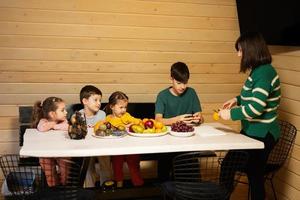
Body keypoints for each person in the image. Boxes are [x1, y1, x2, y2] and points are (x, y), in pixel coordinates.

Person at [218, 32, 281, 200]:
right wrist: (236, 99)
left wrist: (230, 114)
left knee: (254, 174)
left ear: (251, 50)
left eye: (240, 50)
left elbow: (255, 108)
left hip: (264, 133)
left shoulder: (265, 73)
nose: (238, 55)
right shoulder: (257, 71)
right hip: (252, 131)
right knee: (228, 165)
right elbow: (252, 97)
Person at [155, 61, 203, 181]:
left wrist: (199, 118)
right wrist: (178, 119)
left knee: (191, 172)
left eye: (185, 83)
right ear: (171, 79)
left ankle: (189, 188)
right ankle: (166, 187)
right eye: (179, 83)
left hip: (188, 139)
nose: (182, 86)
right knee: (165, 169)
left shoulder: (191, 93)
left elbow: (200, 117)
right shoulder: (162, 95)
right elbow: (158, 120)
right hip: (168, 141)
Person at [105, 91, 144, 188]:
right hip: (116, 147)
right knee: (116, 165)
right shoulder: (108, 119)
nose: (123, 110)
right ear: (112, 107)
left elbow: (138, 121)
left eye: (125, 107)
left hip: (131, 146)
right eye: (121, 107)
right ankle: (119, 184)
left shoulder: (127, 116)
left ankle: (137, 183)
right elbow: (106, 130)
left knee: (134, 164)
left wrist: (133, 124)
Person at [79, 85, 112, 187]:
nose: (99, 103)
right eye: (95, 100)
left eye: (100, 100)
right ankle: (89, 188)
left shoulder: (102, 114)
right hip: (86, 146)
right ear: (85, 101)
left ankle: (107, 186)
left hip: (101, 145)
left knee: (105, 161)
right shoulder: (79, 115)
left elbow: (104, 130)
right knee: (87, 165)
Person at [31, 96, 69, 187]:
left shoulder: (63, 121)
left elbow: (67, 127)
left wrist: (53, 126)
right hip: (46, 152)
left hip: (62, 152)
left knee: (66, 172)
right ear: (52, 114)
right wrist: (53, 124)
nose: (66, 112)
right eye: (62, 110)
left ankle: (65, 188)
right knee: (49, 174)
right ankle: (53, 189)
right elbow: (41, 128)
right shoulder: (43, 121)